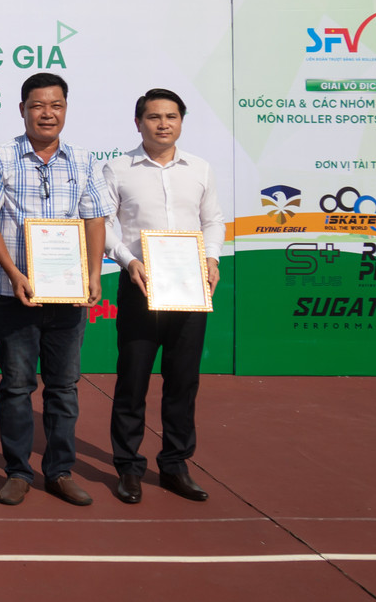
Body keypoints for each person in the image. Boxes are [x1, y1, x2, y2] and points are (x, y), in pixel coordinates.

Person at [0, 73, 111, 508]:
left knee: (63, 387)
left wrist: (94, 273)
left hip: (68, 295)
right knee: (16, 385)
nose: (47, 114)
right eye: (37, 106)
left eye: (56, 105)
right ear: (22, 109)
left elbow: (95, 218)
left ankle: (60, 471)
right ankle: (17, 472)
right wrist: (13, 273)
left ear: (65, 109)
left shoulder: (83, 160)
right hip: (16, 293)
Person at [103, 89, 223, 505]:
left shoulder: (200, 169)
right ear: (138, 123)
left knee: (183, 381)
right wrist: (128, 261)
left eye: (171, 116)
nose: (163, 124)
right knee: (132, 380)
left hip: (190, 289)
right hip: (141, 286)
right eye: (154, 117)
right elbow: (104, 225)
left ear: (181, 121)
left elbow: (213, 220)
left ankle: (175, 464)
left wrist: (211, 259)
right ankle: (128, 467)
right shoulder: (117, 169)